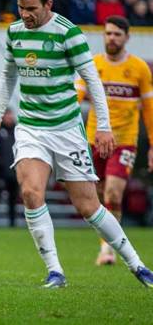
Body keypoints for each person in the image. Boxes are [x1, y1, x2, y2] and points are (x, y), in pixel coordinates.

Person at [0, 0, 153, 289]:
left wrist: (102, 126)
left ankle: (138, 265)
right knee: (31, 193)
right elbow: (7, 75)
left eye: (31, 8)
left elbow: (93, 81)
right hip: (31, 127)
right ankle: (55, 272)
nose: (25, 14)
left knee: (88, 205)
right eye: (21, 7)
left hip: (66, 129)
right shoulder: (15, 32)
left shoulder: (68, 33)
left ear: (48, 4)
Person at [76, 16, 153, 266]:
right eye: (108, 33)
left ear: (127, 38)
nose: (112, 38)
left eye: (117, 34)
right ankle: (106, 244)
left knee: (113, 193)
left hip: (124, 142)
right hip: (93, 140)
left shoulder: (139, 68)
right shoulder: (92, 64)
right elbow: (75, 97)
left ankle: (107, 249)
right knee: (97, 195)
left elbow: (149, 110)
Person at [0, 109, 18, 227]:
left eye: (10, 115)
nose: (9, 118)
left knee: (13, 200)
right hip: (0, 173)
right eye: (6, 115)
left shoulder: (17, 132)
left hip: (14, 172)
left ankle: (12, 223)